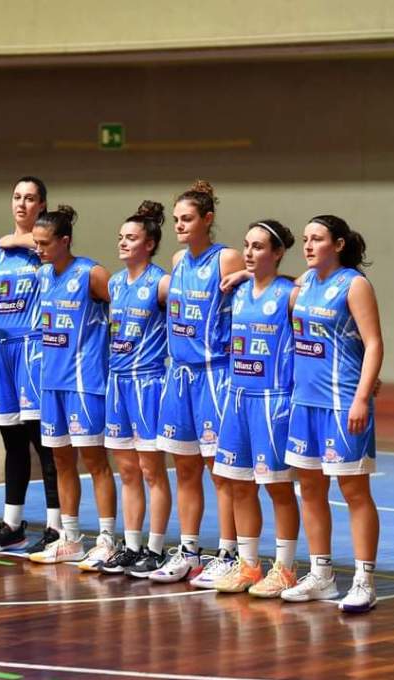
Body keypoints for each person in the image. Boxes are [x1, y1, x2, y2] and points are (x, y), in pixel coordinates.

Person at [281, 214, 382, 614]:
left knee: (354, 491)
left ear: (338, 245)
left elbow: (373, 344)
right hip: (304, 402)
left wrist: (362, 397)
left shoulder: (354, 285)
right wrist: (241, 276)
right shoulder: (304, 283)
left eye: (317, 239)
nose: (307, 245)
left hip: (342, 402)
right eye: (305, 239)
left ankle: (364, 581)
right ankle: (321, 575)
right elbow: (269, 284)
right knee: (310, 489)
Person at [150, 181, 245, 588]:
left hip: (215, 374)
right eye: (176, 219)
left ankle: (229, 552)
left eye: (186, 219)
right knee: (185, 467)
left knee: (219, 470)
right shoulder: (177, 260)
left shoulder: (226, 258)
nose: (178, 226)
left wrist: (247, 273)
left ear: (208, 219)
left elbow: (261, 292)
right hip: (179, 374)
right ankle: (189, 551)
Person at [0, 177, 61, 555]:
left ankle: (56, 527)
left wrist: (22, 241)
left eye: (30, 198)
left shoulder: (44, 248)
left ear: (42, 205)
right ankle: (12, 524)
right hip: (2, 350)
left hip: (34, 348)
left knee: (44, 442)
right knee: (12, 441)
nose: (21, 204)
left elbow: (57, 263)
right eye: (17, 197)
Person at [211, 220, 301, 596]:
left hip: (272, 400)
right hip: (237, 397)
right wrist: (244, 276)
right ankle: (248, 565)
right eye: (246, 245)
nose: (248, 253)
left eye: (259, 246)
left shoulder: (290, 294)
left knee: (277, 487)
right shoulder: (239, 291)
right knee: (238, 484)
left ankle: (286, 568)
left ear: (278, 253)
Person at [27, 205, 116, 565]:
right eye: (35, 243)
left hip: (85, 383)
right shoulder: (43, 276)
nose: (38, 249)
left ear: (65, 241)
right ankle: (71, 538)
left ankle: (107, 540)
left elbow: (124, 308)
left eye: (44, 243)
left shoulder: (92, 274)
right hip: (52, 383)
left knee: (95, 461)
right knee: (61, 460)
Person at [98, 201, 174, 577]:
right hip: (118, 381)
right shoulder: (114, 283)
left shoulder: (161, 283)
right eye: (121, 237)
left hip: (149, 382)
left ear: (150, 244)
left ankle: (155, 549)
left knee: (150, 469)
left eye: (131, 237)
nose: (123, 242)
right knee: (126, 469)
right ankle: (130, 546)